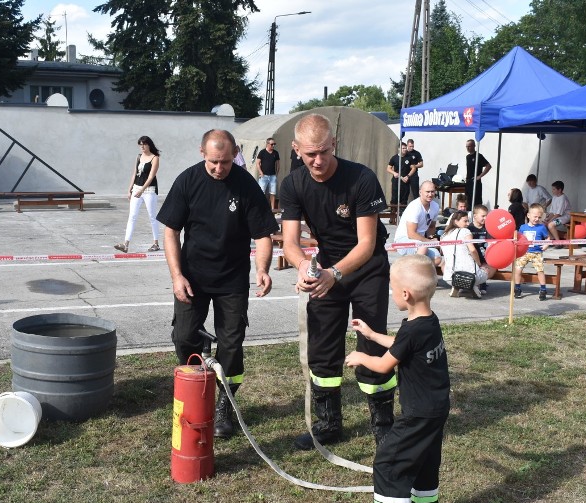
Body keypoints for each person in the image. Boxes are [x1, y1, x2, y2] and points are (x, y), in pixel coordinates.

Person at [279, 113, 394, 451]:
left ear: (334, 145)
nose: (317, 160)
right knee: (323, 347)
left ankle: (383, 424)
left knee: (371, 345)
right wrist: (303, 267)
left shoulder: (361, 178)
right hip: (325, 269)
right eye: (309, 153)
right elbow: (289, 242)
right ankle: (328, 424)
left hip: (366, 268)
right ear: (297, 149)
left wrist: (335, 274)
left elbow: (366, 244)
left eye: (324, 152)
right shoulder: (293, 184)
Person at [156, 129, 278, 439]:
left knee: (232, 344)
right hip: (192, 277)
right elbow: (170, 231)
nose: (219, 168)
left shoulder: (246, 184)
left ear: (234, 154)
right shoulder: (188, 181)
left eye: (224, 162)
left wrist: (261, 270)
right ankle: (197, 389)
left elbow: (263, 233)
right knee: (183, 337)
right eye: (213, 161)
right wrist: (176, 276)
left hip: (232, 280)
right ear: (202, 153)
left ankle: (225, 403)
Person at [344, 254, 450, 503]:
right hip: (436, 408)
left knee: (389, 464)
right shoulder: (428, 322)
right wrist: (370, 334)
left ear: (406, 294)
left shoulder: (414, 329)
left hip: (418, 413)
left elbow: (383, 366)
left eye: (392, 289)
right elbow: (403, 345)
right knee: (425, 464)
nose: (391, 294)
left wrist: (361, 356)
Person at [115, 136, 161, 253]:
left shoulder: (154, 158)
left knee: (152, 216)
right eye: (140, 145)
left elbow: (151, 176)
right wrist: (130, 189)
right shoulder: (139, 157)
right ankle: (125, 244)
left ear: (149, 145)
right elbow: (134, 174)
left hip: (149, 190)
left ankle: (156, 243)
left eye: (144, 144)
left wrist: (142, 190)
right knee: (132, 216)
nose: (142, 147)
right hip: (137, 188)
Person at [440, 211, 496, 298]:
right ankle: (472, 286)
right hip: (470, 276)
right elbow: (472, 250)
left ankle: (457, 286)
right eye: (465, 221)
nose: (468, 223)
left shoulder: (443, 235)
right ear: (456, 221)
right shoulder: (465, 231)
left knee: (444, 264)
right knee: (492, 267)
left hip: (449, 277)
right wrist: (479, 263)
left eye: (468, 221)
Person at [393, 180, 442, 266]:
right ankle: (413, 272)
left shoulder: (435, 206)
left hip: (421, 241)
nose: (430, 194)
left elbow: (431, 227)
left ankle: (414, 267)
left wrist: (431, 238)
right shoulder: (415, 207)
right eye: (427, 192)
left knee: (438, 259)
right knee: (423, 248)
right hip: (404, 239)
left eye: (432, 191)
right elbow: (411, 234)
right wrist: (429, 242)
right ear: (420, 192)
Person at [514, 203, 552, 300]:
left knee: (540, 270)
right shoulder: (523, 227)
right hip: (524, 252)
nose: (537, 219)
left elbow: (548, 237)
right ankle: (517, 288)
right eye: (535, 216)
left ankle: (543, 289)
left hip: (537, 253)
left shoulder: (542, 227)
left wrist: (546, 244)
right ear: (528, 215)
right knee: (517, 269)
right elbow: (519, 238)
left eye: (539, 217)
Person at [468, 204, 492, 294]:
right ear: (475, 216)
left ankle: (482, 284)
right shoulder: (469, 228)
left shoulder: (488, 228)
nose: (485, 218)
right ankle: (472, 285)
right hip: (472, 255)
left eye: (486, 216)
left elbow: (490, 242)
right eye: (483, 216)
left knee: (484, 269)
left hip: (484, 256)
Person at [464, 139, 491, 207]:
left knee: (476, 201)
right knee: (468, 201)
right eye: (466, 146)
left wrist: (479, 176)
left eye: (469, 146)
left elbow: (488, 166)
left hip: (476, 182)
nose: (467, 148)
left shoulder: (478, 156)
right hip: (469, 182)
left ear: (474, 146)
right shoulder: (468, 157)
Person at [387, 141, 414, 207]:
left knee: (404, 199)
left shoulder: (409, 158)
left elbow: (413, 168)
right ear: (399, 149)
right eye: (403, 148)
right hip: (396, 181)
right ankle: (393, 215)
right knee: (394, 198)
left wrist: (408, 176)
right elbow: (388, 168)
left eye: (405, 148)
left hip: (405, 181)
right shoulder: (394, 158)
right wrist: (394, 173)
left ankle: (402, 215)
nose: (405, 150)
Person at [255, 137, 280, 209]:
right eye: (272, 144)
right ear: (267, 144)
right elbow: (257, 163)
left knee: (273, 193)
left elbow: (278, 164)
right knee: (261, 192)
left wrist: (276, 173)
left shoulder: (276, 153)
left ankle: (272, 209)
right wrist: (261, 173)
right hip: (264, 176)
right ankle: (261, 208)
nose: (273, 146)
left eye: (274, 144)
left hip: (272, 176)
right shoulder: (262, 152)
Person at [545, 180, 571, 245]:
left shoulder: (563, 198)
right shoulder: (554, 197)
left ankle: (558, 242)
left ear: (559, 190)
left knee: (550, 225)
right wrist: (547, 219)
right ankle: (552, 238)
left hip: (565, 217)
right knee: (543, 223)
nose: (552, 191)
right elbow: (552, 212)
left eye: (554, 189)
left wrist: (549, 221)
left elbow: (558, 214)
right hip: (557, 216)